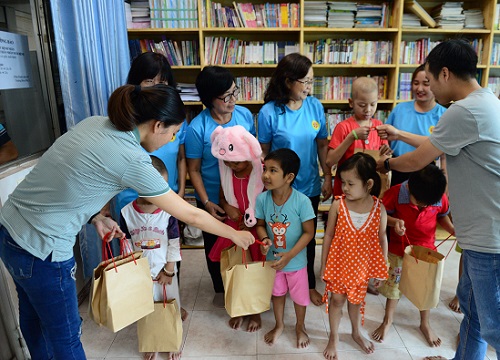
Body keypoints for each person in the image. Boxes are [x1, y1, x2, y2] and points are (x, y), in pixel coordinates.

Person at [0, 84, 254, 359]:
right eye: (173, 133)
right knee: (67, 338)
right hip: (44, 249)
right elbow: (189, 214)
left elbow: (69, 181)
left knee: (34, 321)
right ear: (158, 125)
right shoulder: (133, 160)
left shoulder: (95, 123)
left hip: (9, 230)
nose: (171, 140)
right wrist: (234, 234)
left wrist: (96, 216)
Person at [375, 39, 500, 360]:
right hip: (481, 236)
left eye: (429, 80)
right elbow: (438, 141)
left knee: (494, 327)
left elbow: (418, 161)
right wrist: (400, 134)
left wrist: (385, 164)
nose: (428, 88)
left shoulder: (464, 110)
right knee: (473, 316)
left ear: (445, 74)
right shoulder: (486, 101)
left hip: (490, 239)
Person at [113, 51, 189, 320]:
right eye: (149, 81)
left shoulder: (174, 117)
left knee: (169, 248)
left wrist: (178, 192)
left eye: (163, 82)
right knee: (137, 258)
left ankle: (171, 304)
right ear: (135, 84)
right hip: (132, 201)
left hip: (167, 194)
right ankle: (144, 311)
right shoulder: (124, 123)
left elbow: (181, 155)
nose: (157, 87)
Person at [257, 53, 332, 306]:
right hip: (280, 188)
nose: (309, 87)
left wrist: (327, 175)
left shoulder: (315, 107)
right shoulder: (269, 112)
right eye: (305, 82)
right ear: (289, 81)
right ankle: (276, 281)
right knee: (277, 235)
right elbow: (264, 152)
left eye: (311, 82)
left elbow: (322, 145)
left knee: (307, 236)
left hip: (308, 185)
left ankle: (307, 283)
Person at [185, 66, 256, 308]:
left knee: (247, 241)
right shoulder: (197, 128)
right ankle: (221, 288)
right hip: (213, 198)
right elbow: (193, 169)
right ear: (209, 99)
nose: (233, 100)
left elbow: (254, 156)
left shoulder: (245, 116)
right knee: (215, 246)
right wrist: (206, 202)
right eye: (226, 96)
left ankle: (248, 286)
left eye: (234, 92)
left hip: (244, 196)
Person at [371, 164, 455, 347]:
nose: (424, 206)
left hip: (426, 251)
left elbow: (443, 216)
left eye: (428, 204)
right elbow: (380, 216)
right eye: (419, 203)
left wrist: (452, 230)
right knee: (394, 288)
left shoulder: (438, 197)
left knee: (426, 288)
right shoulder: (396, 193)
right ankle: (387, 320)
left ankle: (425, 323)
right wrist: (395, 223)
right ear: (409, 187)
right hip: (399, 249)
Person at [326, 76, 391, 296]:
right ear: (351, 102)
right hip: (345, 193)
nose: (368, 110)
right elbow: (329, 160)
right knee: (341, 235)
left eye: (373, 104)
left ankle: (364, 275)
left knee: (368, 235)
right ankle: (337, 272)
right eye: (362, 105)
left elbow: (382, 164)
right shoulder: (344, 127)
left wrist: (384, 156)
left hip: (370, 195)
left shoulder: (379, 127)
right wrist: (351, 137)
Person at [321, 152, 388, 359]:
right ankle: (333, 336)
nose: (344, 188)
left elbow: (382, 238)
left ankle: (356, 332)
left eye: (351, 183)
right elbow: (329, 235)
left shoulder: (379, 208)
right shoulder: (337, 205)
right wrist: (323, 265)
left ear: (368, 184)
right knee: (337, 301)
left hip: (361, 270)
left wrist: (381, 269)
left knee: (356, 302)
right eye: (343, 183)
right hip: (339, 266)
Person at [120, 155, 182, 360]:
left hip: (165, 270)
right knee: (145, 307)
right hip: (141, 273)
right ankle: (151, 340)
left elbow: (174, 242)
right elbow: (126, 242)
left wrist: (169, 270)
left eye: (163, 186)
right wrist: (132, 271)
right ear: (139, 184)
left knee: (169, 304)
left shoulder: (168, 211)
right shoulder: (126, 212)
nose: (161, 192)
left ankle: (171, 340)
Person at [256, 148, 316, 348]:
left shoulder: (302, 201)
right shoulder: (262, 199)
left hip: (296, 262)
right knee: (277, 294)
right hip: (273, 262)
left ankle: (300, 327)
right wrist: (264, 239)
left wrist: (290, 255)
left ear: (289, 177)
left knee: (300, 298)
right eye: (265, 169)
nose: (265, 175)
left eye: (273, 170)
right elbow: (260, 224)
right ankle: (279, 325)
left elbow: (309, 232)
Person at [207, 125, 264, 331]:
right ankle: (240, 308)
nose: (232, 166)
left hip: (254, 228)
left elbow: (267, 201)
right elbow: (223, 196)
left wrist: (256, 219)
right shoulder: (226, 171)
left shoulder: (261, 171)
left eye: (237, 162)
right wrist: (227, 207)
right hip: (233, 227)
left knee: (254, 270)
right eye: (228, 163)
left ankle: (255, 311)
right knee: (235, 269)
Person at [386, 65, 447, 186]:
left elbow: (443, 151)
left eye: (426, 83)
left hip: (428, 174)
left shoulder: (444, 115)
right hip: (398, 170)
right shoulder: (399, 109)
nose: (419, 88)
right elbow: (385, 139)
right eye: (415, 83)